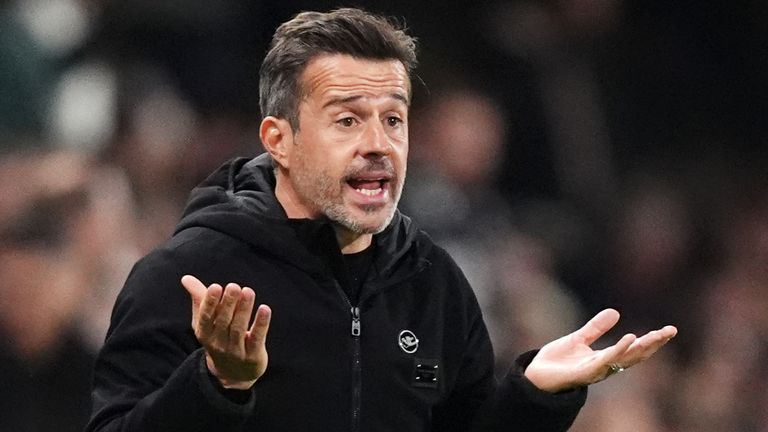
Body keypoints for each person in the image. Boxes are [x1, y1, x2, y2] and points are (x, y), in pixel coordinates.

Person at [86, 8, 677, 432]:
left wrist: (533, 397)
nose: (379, 145)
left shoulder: (432, 281)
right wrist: (217, 385)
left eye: (393, 120)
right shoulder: (186, 274)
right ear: (279, 140)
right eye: (347, 120)